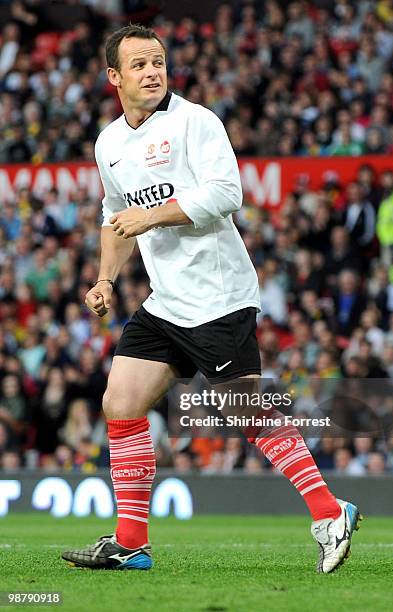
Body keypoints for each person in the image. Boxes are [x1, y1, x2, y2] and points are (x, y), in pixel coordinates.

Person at [62, 24, 361, 574]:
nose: (152, 71)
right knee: (120, 403)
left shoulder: (196, 122)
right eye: (139, 64)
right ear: (114, 77)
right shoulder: (109, 143)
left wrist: (149, 215)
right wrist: (105, 280)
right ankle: (131, 542)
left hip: (218, 297)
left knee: (247, 410)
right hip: (167, 301)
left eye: (158, 61)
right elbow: (114, 218)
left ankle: (330, 510)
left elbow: (228, 193)